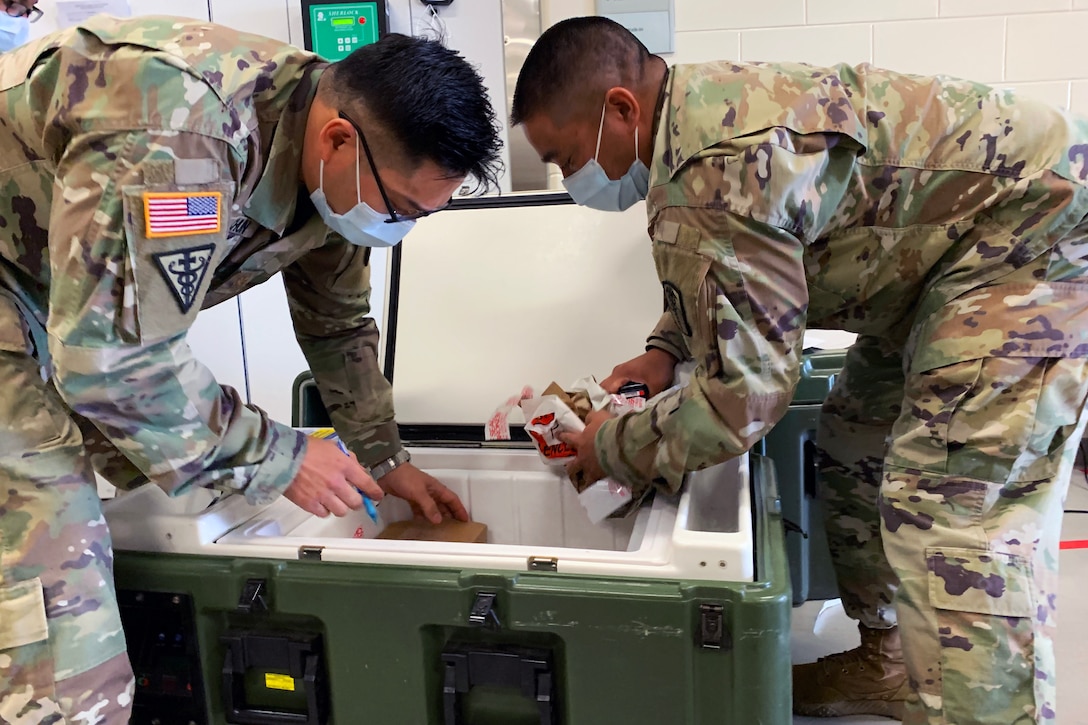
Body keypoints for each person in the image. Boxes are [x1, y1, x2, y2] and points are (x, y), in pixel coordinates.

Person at [512, 15, 1088, 725]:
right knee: (852, 444)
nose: (571, 179)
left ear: (620, 110)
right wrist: (666, 347)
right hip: (935, 268)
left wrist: (607, 444)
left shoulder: (711, 166)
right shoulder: (692, 123)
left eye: (567, 156)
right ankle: (887, 662)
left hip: (1031, 238)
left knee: (950, 515)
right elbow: (740, 269)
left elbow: (744, 399)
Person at [0, 15, 500, 724]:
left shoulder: (341, 156)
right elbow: (112, 365)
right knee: (58, 587)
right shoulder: (181, 134)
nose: (400, 228)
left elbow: (339, 323)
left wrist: (386, 458)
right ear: (338, 142)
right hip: (15, 290)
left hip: (59, 295)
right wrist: (280, 453)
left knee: (176, 496)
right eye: (402, 209)